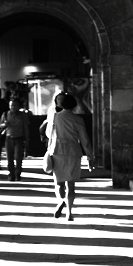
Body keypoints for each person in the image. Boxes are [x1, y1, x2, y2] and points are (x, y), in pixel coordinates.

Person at [46, 91, 94, 220]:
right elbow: (85, 140)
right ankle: (69, 212)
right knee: (71, 185)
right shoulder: (78, 119)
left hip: (57, 151)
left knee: (59, 183)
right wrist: (90, 156)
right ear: (74, 106)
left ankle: (61, 200)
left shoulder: (55, 117)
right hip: (73, 152)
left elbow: (48, 133)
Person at [0, 97, 30, 181]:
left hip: (19, 138)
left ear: (18, 106)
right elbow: (0, 125)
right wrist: (4, 124)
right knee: (9, 158)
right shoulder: (5, 114)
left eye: (15, 105)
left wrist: (27, 139)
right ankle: (11, 174)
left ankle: (18, 174)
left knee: (18, 158)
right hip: (9, 138)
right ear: (9, 106)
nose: (13, 107)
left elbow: (26, 127)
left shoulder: (23, 115)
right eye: (12, 105)